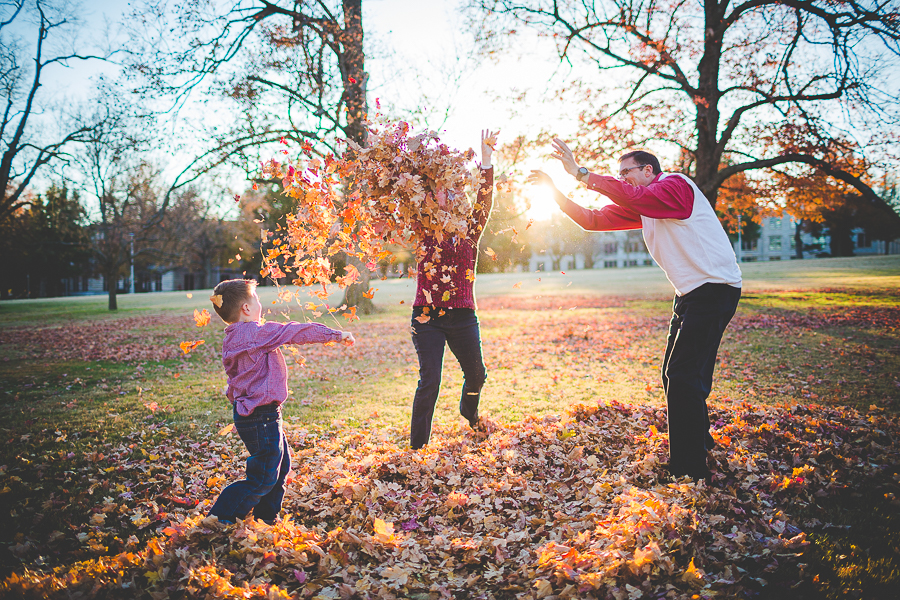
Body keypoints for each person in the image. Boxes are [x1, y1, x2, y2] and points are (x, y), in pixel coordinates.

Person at [529, 141, 742, 481]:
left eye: (627, 172)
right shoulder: (644, 205)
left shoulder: (675, 185)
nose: (623, 179)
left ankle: (690, 470)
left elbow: (638, 198)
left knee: (683, 376)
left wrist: (583, 174)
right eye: (620, 174)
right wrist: (554, 193)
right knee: (680, 375)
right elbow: (593, 220)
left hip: (715, 289)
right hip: (690, 294)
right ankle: (701, 445)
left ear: (648, 170)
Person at [207, 279, 355, 523]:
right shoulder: (256, 333)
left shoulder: (231, 338)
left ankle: (266, 519)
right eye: (256, 298)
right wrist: (335, 335)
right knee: (264, 476)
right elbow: (295, 331)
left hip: (254, 415)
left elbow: (236, 379)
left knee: (280, 466)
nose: (259, 303)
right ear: (246, 308)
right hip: (260, 416)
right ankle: (220, 518)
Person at [409, 129, 498, 450]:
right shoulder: (422, 225)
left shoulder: (470, 230)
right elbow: (402, 188)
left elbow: (485, 198)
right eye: (445, 189)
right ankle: (416, 449)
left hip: (462, 316)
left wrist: (486, 160)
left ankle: (469, 410)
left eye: (458, 189)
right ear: (433, 195)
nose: (453, 194)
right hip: (426, 317)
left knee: (476, 375)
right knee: (429, 380)